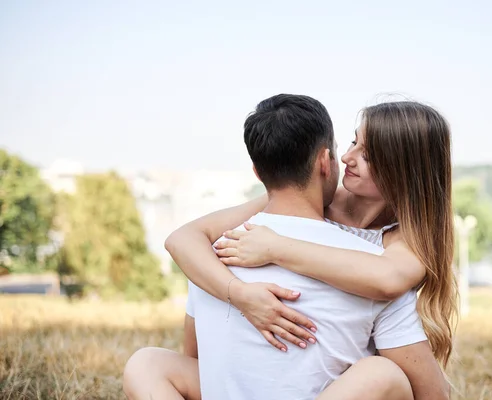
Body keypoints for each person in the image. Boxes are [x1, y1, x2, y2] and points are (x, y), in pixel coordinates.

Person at [124, 94, 455, 399]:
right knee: (146, 363)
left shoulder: (402, 244)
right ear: (322, 164)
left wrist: (276, 248)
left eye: (366, 154)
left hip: (336, 384)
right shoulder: (314, 199)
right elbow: (183, 238)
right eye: (353, 141)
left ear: (406, 170)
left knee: (380, 374)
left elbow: (387, 278)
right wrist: (238, 293)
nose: (346, 156)